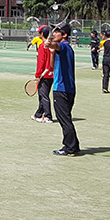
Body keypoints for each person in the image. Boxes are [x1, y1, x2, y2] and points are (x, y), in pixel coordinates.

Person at [51, 24, 79, 156]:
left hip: (61, 89)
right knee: (66, 118)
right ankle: (74, 145)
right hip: (69, 89)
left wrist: (49, 44)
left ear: (64, 35)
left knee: (64, 120)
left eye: (57, 32)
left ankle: (70, 148)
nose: (54, 33)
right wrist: (51, 50)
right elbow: (52, 65)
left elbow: (56, 46)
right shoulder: (66, 49)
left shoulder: (63, 46)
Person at [31, 25, 53, 122]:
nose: (38, 34)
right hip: (51, 74)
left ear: (42, 34)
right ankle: (38, 114)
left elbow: (41, 62)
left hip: (44, 74)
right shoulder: (52, 45)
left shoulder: (42, 46)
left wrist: (38, 75)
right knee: (43, 94)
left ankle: (48, 116)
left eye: (39, 32)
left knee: (43, 95)